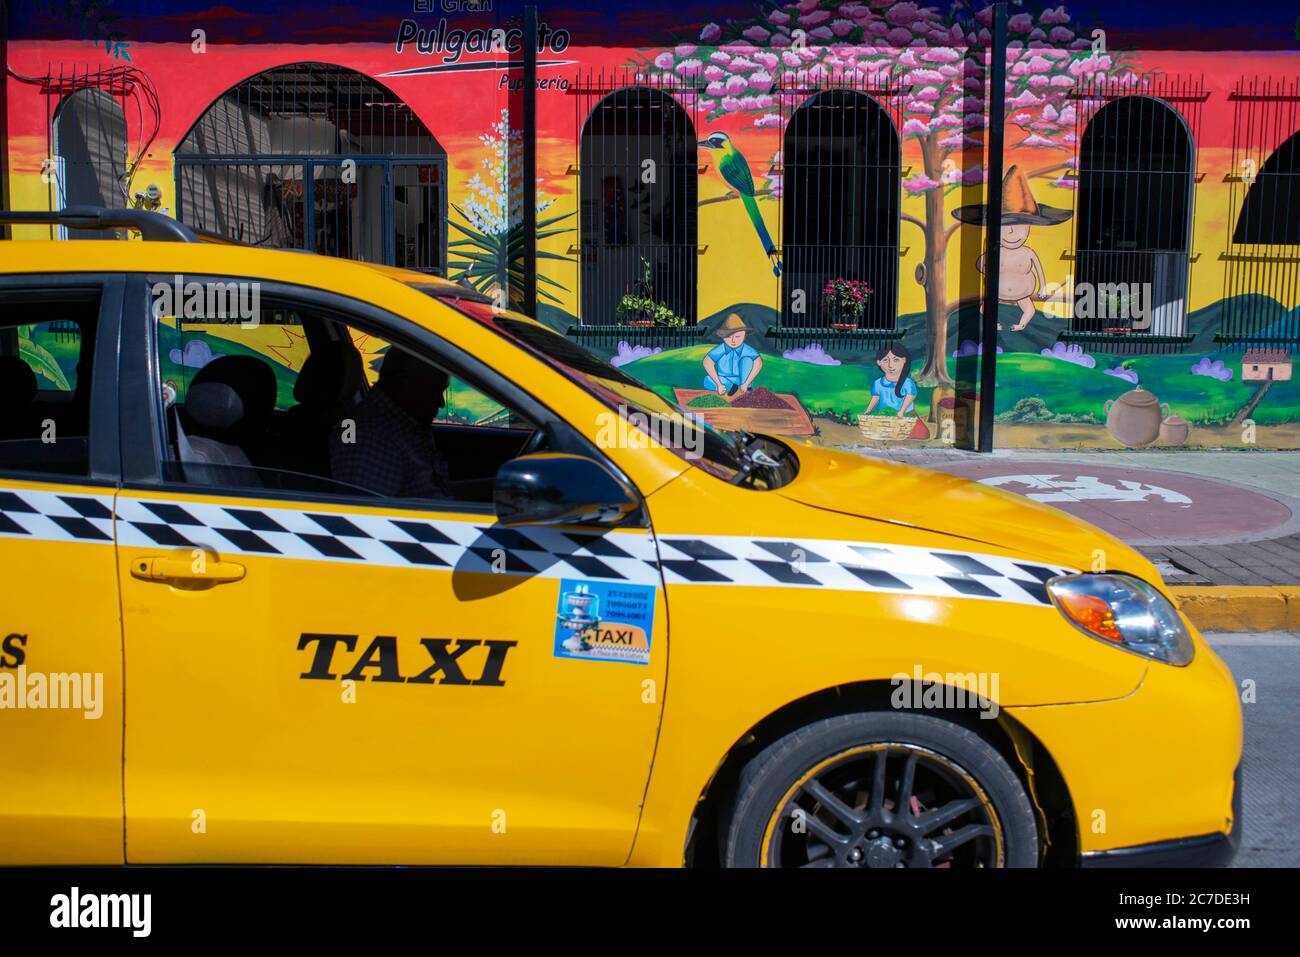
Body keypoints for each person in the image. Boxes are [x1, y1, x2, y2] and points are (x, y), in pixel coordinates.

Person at [952, 165, 1072, 332]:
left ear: (1030, 226)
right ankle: (994, 324)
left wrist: (1043, 287)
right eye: (1004, 225)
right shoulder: (994, 250)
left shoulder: (1028, 252)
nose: (1011, 232)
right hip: (996, 295)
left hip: (1023, 296)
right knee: (983, 308)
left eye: (1019, 225)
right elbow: (980, 264)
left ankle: (1021, 325)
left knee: (1029, 309)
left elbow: (1038, 269)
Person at [329, 346, 451, 498]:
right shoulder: (369, 438)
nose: (441, 403)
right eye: (434, 390)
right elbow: (365, 513)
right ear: (403, 384)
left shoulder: (398, 425)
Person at [702, 313, 763, 397]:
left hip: (742, 379)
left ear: (744, 335)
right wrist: (719, 384)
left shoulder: (747, 349)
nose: (733, 341)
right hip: (724, 379)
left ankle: (746, 387)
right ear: (723, 337)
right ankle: (730, 387)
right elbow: (707, 362)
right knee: (707, 380)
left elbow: (758, 363)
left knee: (747, 360)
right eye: (728, 337)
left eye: (737, 336)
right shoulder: (721, 349)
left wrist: (746, 382)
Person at [864, 341, 917, 418]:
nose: (890, 365)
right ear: (879, 362)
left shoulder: (907, 382)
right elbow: (875, 398)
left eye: (896, 360)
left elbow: (910, 396)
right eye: (885, 360)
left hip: (905, 414)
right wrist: (867, 411)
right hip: (883, 414)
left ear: (904, 360)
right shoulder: (878, 383)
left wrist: (902, 411)